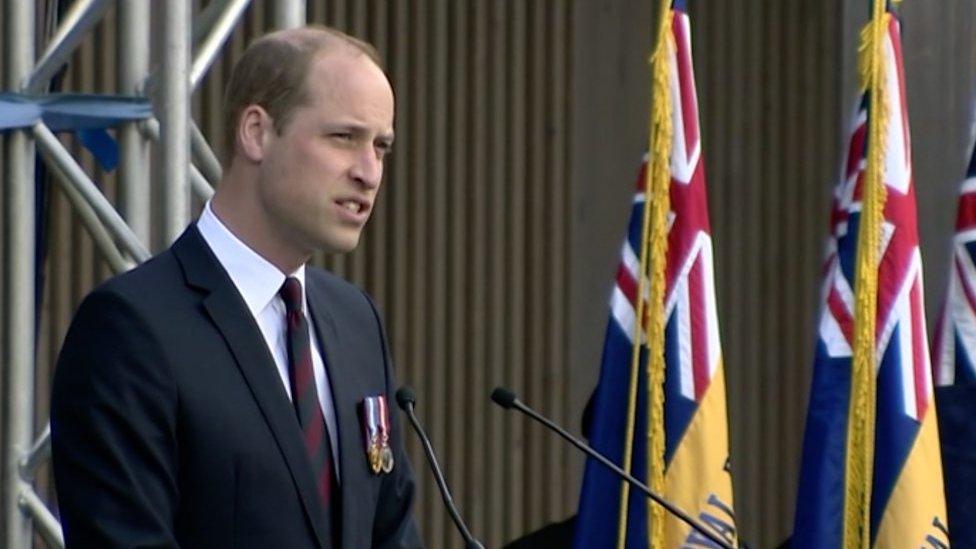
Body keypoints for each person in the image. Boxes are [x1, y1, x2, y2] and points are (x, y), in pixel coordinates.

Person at [50, 26, 422, 549]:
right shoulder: (132, 328)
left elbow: (392, 529)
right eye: (344, 137)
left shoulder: (356, 320)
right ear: (256, 132)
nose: (369, 172)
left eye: (381, 147)